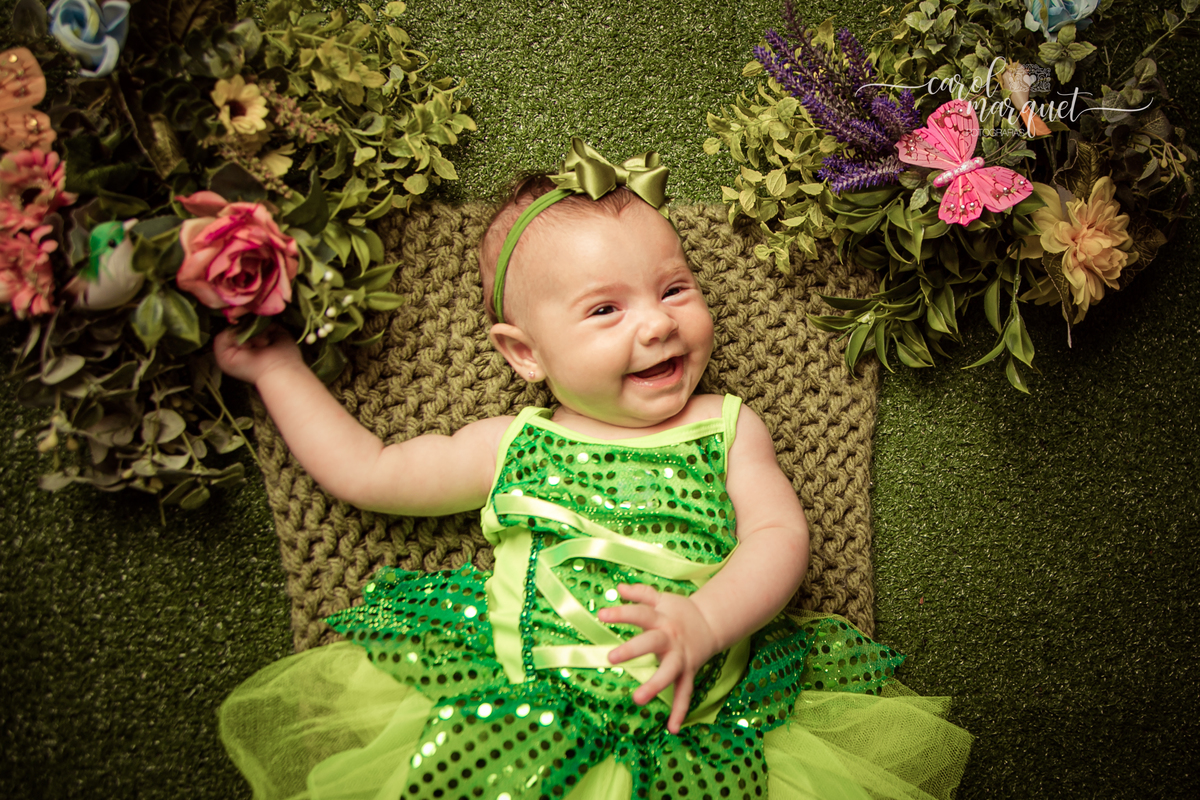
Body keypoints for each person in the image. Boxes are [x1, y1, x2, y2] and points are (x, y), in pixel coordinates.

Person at [216, 140, 972, 800]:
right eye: (604, 311)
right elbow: (368, 471)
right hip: (520, 720)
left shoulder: (726, 426)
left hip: (710, 728)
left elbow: (780, 538)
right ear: (524, 353)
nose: (658, 321)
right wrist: (277, 369)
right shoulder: (508, 445)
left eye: (675, 288)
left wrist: (706, 620)